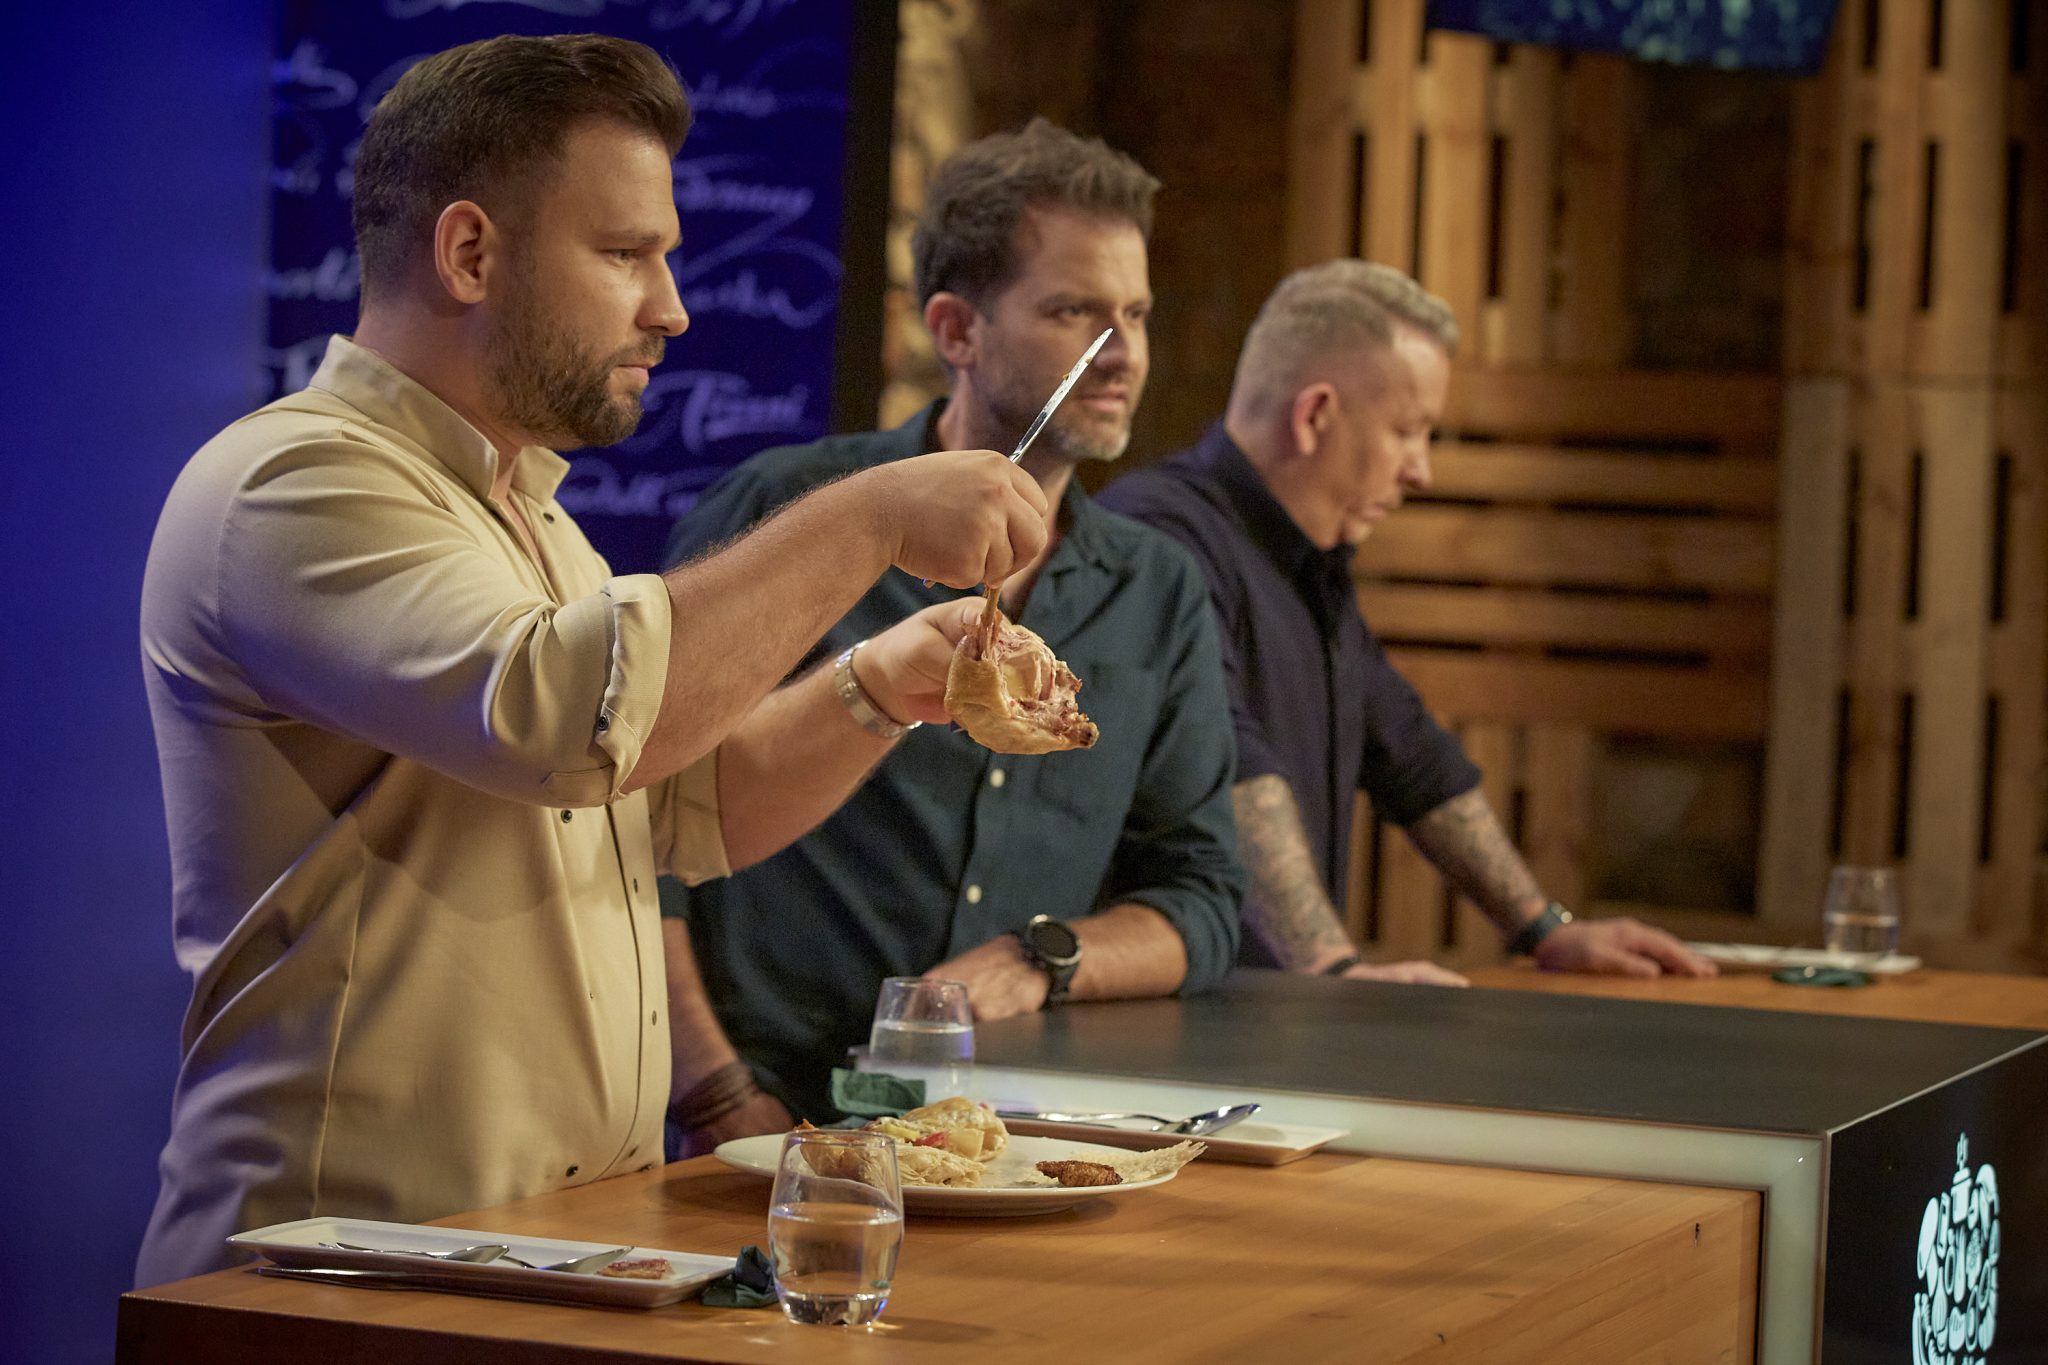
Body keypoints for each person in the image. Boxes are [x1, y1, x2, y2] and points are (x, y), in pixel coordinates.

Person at [133, 34, 1048, 1285]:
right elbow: (566, 721)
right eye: (626, 254)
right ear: (469, 253)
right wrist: (871, 513)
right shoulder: (294, 483)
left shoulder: (529, 516)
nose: (671, 306)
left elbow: (672, 803)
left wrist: (876, 688)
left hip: (531, 1259)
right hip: (340, 1276)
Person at [658, 119, 1244, 1146]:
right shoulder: (790, 511)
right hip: (762, 1117)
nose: (1121, 354)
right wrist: (714, 1094)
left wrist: (1043, 958)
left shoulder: (1156, 588)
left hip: (1000, 1135)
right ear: (955, 330)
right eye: (1074, 312)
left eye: (1135, 315)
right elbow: (638, 832)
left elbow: (1199, 897)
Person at [1097, 261, 1715, 984]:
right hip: (1174, 1020)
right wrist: (1332, 970)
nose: (1421, 470)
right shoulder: (1162, 538)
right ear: (1314, 416)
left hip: (1269, 1012)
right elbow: (1228, 757)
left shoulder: (1309, 563)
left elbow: (1412, 758)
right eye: (1407, 431)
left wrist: (1545, 928)